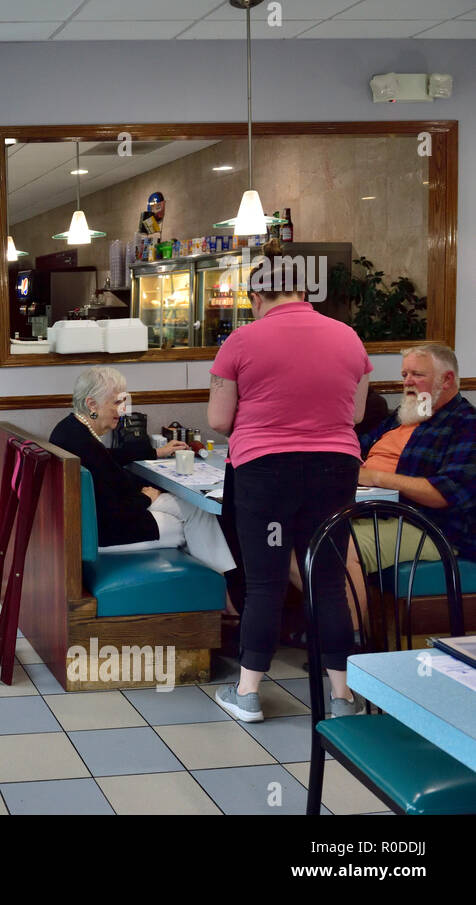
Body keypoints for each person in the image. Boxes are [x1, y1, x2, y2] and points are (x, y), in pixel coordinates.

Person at [208, 239, 372, 723]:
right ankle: (342, 698)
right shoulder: (348, 337)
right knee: (327, 579)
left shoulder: (241, 341)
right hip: (335, 468)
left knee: (265, 582)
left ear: (257, 298)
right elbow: (357, 413)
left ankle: (249, 694)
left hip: (265, 471)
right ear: (305, 292)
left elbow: (219, 419)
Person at [49, 368, 236, 573]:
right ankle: (221, 586)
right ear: (92, 404)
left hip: (96, 522)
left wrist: (155, 452)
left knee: (195, 510)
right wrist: (146, 498)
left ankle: (221, 584)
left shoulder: (70, 430)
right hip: (106, 533)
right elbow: (114, 511)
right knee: (193, 521)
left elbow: (106, 458)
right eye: (116, 402)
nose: (123, 410)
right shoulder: (85, 444)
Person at [352, 343, 476, 574]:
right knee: (290, 537)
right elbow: (357, 449)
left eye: (417, 374)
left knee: (331, 546)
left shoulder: (465, 424)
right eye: (404, 374)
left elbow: (444, 493)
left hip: (429, 526)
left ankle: (344, 612)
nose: (407, 381)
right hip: (372, 512)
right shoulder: (404, 417)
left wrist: (376, 478)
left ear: (447, 380)